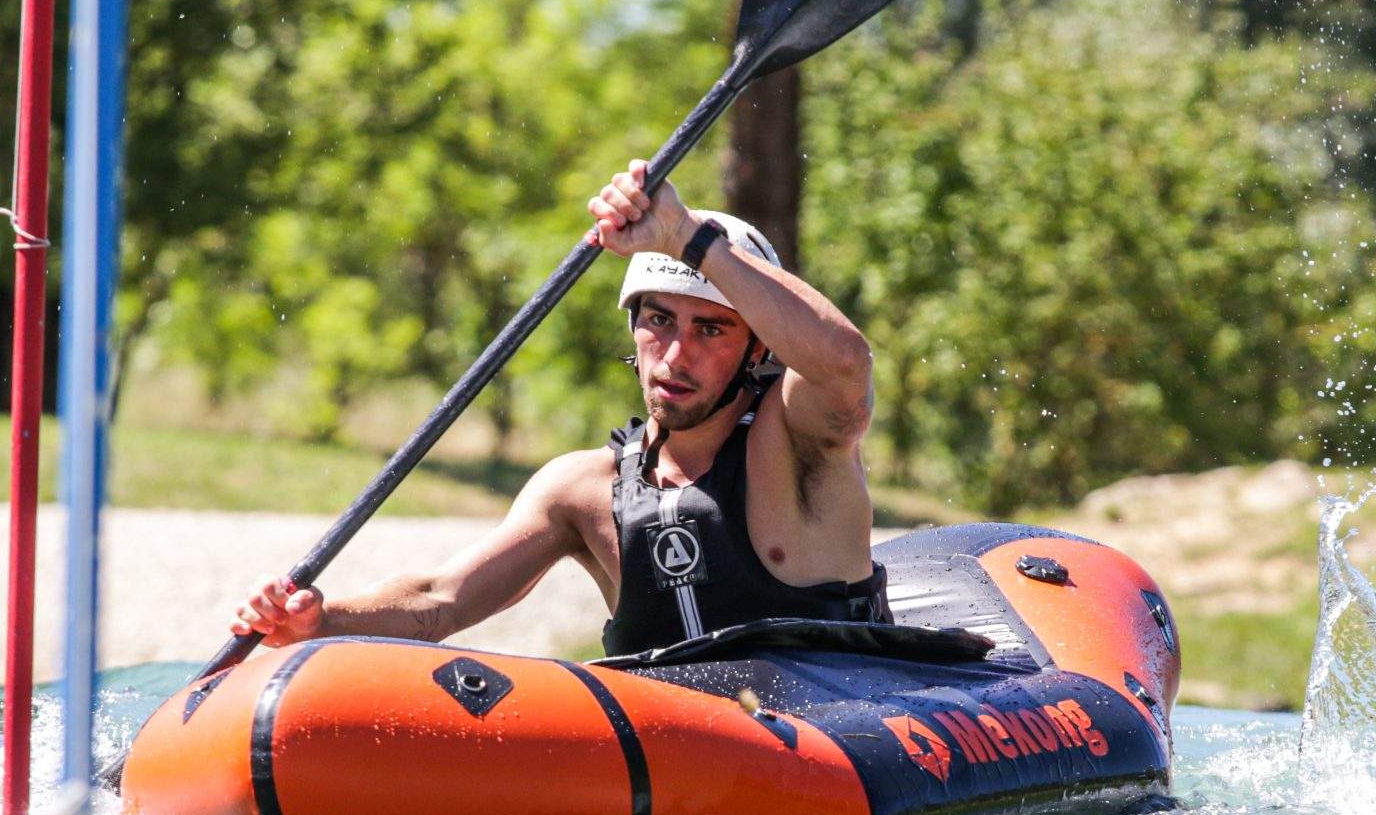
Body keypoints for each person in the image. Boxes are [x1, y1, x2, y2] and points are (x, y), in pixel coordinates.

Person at [232, 159, 889, 656]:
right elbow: (440, 599)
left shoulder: (802, 439)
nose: (676, 354)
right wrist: (319, 620)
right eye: (659, 320)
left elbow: (847, 363)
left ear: (757, 348)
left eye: (711, 330)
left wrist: (685, 235)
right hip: (692, 773)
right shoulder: (581, 491)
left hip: (840, 745)